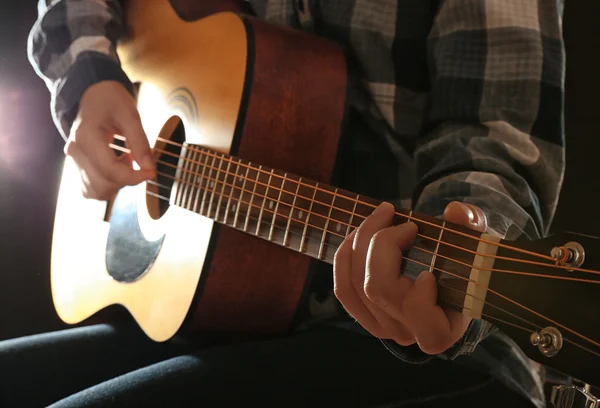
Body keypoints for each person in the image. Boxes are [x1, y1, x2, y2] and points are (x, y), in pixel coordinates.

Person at [2, 0, 564, 406]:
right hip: (209, 309)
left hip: (389, 340)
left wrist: (455, 253)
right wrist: (88, 80)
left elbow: (496, 140)